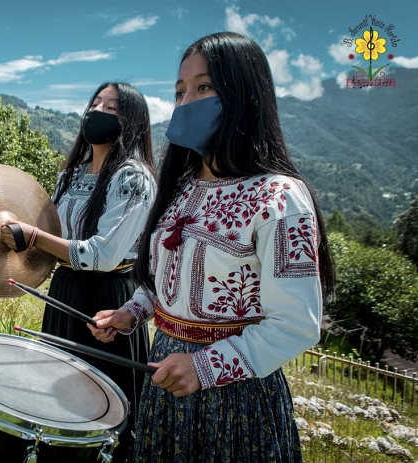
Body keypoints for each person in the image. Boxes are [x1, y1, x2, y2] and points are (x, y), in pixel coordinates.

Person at [89, 32, 335, 463]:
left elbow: (296, 324)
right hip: (164, 373)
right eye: (180, 91)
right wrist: (134, 312)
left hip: (235, 397)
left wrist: (206, 368)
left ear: (244, 95)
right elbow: (166, 277)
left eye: (204, 88)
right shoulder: (181, 189)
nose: (186, 103)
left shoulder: (279, 197)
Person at [0, 82, 157, 462]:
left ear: (132, 120)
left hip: (109, 299)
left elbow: (102, 254)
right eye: (95, 102)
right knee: (59, 395)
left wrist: (35, 236)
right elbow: (53, 234)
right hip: (66, 289)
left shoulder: (133, 178)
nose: (98, 110)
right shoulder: (70, 174)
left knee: (102, 409)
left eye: (112, 107)